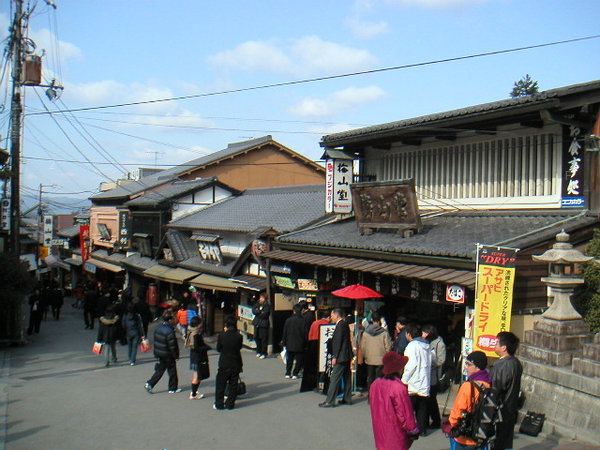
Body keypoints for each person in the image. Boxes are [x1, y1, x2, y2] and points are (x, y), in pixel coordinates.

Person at [369, 352, 420, 450]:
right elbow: (405, 413)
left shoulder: (375, 384)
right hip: (395, 432)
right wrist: (413, 429)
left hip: (380, 429)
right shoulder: (398, 387)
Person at [446, 351, 492, 450]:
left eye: (468, 364)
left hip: (466, 436)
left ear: (477, 367)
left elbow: (458, 411)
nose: (465, 367)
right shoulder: (489, 384)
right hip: (482, 434)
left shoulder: (468, 386)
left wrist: (453, 425)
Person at [489, 331, 523, 450]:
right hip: (510, 408)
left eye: (497, 343)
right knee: (506, 442)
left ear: (504, 348)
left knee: (498, 441)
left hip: (501, 409)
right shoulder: (516, 363)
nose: (494, 344)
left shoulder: (502, 365)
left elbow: (496, 388)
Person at [401, 323, 432, 436]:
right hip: (424, 381)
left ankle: (409, 429)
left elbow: (410, 365)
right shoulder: (427, 345)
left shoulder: (412, 346)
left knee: (409, 408)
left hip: (413, 382)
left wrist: (404, 380)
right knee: (422, 408)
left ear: (409, 334)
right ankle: (422, 429)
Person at [319, 308, 353, 408]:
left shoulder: (340, 325)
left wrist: (335, 356)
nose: (331, 317)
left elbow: (337, 342)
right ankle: (347, 398)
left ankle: (330, 401)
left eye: (332, 315)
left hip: (340, 356)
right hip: (346, 355)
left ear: (336, 315)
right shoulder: (345, 324)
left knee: (335, 378)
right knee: (347, 378)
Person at [145, 310, 181, 394]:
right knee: (171, 371)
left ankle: (150, 383)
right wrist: (176, 355)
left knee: (161, 370)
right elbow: (172, 346)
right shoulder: (170, 331)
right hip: (168, 354)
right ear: (170, 320)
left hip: (160, 352)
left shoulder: (158, 328)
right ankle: (172, 388)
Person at [214, 316, 243, 410]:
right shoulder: (239, 336)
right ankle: (230, 404)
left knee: (220, 384)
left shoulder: (222, 335)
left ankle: (219, 404)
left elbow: (218, 349)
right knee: (233, 384)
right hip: (235, 362)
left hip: (224, 362)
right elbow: (239, 347)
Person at [359, 311, 392, 391]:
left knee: (370, 378)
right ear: (380, 320)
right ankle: (378, 395)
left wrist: (363, 356)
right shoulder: (384, 333)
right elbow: (388, 347)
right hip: (381, 359)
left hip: (369, 359)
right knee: (379, 378)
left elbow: (363, 347)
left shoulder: (366, 332)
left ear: (371, 319)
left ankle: (371, 395)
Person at [301, 309, 331, 392]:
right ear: (328, 317)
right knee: (323, 366)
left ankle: (314, 383)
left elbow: (310, 334)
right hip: (322, 346)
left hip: (312, 345)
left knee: (314, 365)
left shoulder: (314, 323)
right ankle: (322, 383)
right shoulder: (327, 325)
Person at [423, 324, 446, 429]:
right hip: (425, 374)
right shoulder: (425, 342)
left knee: (431, 399)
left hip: (434, 375)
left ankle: (436, 420)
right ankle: (426, 420)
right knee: (427, 399)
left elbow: (441, 360)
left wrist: (430, 360)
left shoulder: (439, 344)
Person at [281, 303, 308, 379]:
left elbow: (285, 332)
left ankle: (288, 372)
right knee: (299, 360)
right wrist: (306, 344)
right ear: (301, 311)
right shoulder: (303, 321)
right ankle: (295, 373)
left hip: (289, 343)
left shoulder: (288, 320)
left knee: (289, 359)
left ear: (294, 311)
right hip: (300, 343)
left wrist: (284, 341)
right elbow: (305, 334)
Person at [186, 316, 210, 400]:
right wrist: (207, 348)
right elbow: (197, 347)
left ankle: (194, 392)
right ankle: (193, 394)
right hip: (198, 357)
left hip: (193, 356)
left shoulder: (190, 331)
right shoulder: (196, 335)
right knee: (197, 377)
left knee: (196, 375)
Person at [252, 292, 270, 359]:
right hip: (257, 323)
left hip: (263, 324)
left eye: (262, 298)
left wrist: (258, 311)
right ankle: (258, 351)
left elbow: (264, 314)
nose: (260, 299)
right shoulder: (257, 303)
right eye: (260, 297)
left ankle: (264, 353)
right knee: (256, 337)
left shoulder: (267, 305)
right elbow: (253, 310)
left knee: (263, 339)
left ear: (265, 299)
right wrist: (259, 311)